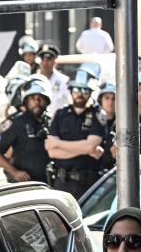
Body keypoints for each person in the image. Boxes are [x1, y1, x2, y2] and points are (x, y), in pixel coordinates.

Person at [46, 68, 107, 199]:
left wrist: (58, 143)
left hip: (87, 184)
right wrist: (85, 149)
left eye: (85, 90)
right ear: (70, 90)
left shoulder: (98, 115)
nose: (80, 94)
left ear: (91, 93)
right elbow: (52, 152)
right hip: (61, 183)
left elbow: (90, 146)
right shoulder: (60, 114)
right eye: (76, 90)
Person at [0, 76, 51, 183]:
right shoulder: (15, 122)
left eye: (40, 98)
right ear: (26, 101)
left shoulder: (54, 121)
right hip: (25, 186)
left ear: (47, 100)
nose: (37, 101)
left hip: (51, 183)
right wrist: (14, 172)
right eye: (33, 98)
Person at [33, 43, 71, 114]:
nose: (45, 62)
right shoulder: (34, 79)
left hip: (57, 122)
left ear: (54, 61)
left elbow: (71, 102)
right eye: (42, 59)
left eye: (48, 59)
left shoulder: (63, 80)